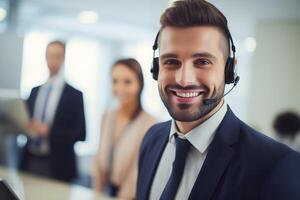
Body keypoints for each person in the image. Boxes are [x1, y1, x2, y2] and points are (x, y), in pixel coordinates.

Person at [136, 1, 300, 200]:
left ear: (229, 70)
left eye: (202, 62)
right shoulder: (152, 139)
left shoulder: (276, 165)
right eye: (171, 61)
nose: (184, 80)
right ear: (156, 68)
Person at [20, 40, 86, 182]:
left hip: (58, 165)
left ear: (64, 58)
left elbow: (81, 133)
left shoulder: (74, 95)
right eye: (49, 55)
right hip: (30, 160)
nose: (53, 60)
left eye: (57, 56)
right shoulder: (34, 91)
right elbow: (25, 120)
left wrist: (50, 131)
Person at [92, 58, 156, 199]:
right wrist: (96, 194)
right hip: (104, 193)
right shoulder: (108, 116)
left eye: (127, 82)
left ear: (139, 84)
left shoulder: (150, 124)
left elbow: (136, 175)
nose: (120, 88)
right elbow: (98, 161)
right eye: (115, 81)